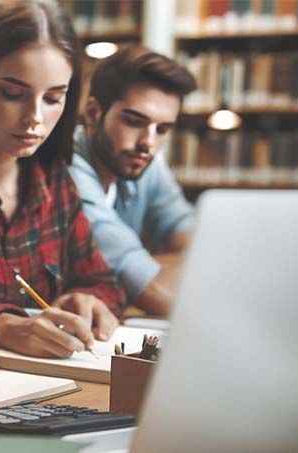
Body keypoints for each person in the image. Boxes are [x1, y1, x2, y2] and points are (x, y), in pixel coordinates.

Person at [0, 0, 125, 359]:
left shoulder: (55, 180)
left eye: (53, 99)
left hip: (59, 387)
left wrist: (88, 300)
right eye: (13, 94)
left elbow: (102, 281)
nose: (34, 118)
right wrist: (0, 326)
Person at [69, 45, 198, 317]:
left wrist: (145, 269)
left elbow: (203, 248)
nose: (148, 143)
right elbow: (158, 294)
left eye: (162, 129)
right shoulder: (67, 170)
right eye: (134, 121)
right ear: (93, 113)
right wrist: (151, 276)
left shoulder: (143, 161)